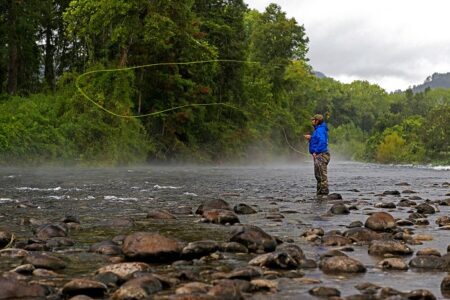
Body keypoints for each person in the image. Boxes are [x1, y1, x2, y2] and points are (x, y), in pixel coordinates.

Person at [304, 114, 330, 196]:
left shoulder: (320, 130)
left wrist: (315, 151)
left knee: (321, 177)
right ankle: (320, 194)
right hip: (320, 155)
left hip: (321, 155)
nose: (312, 121)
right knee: (319, 176)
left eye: (313, 120)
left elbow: (322, 142)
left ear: (317, 121)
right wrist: (311, 138)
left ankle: (324, 194)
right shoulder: (319, 129)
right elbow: (318, 140)